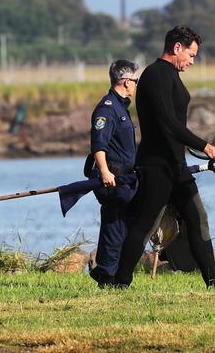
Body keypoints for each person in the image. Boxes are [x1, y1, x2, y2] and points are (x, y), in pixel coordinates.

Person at [114, 26, 215, 288]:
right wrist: (206, 146)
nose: (192, 61)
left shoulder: (171, 75)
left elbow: (175, 128)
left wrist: (194, 149)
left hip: (176, 165)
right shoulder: (156, 75)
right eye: (191, 55)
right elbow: (168, 124)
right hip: (156, 166)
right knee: (145, 225)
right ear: (177, 47)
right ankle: (120, 281)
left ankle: (213, 279)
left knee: (198, 220)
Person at [88, 60, 139, 288]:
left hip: (126, 178)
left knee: (121, 224)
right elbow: (99, 144)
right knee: (114, 225)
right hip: (113, 178)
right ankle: (106, 276)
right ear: (126, 82)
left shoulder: (121, 108)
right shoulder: (107, 109)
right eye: (135, 81)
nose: (136, 86)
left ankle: (109, 272)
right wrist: (105, 171)